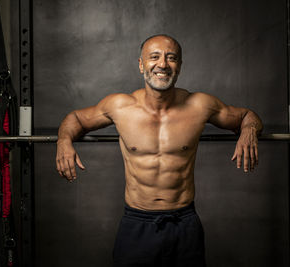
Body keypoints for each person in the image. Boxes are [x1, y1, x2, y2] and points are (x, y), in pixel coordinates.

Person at [56, 34, 263, 267]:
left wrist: (248, 132)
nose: (163, 64)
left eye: (171, 58)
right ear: (141, 64)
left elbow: (247, 116)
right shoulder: (120, 106)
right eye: (154, 57)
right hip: (137, 223)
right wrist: (64, 140)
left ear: (180, 66)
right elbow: (76, 118)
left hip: (184, 223)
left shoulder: (200, 105)